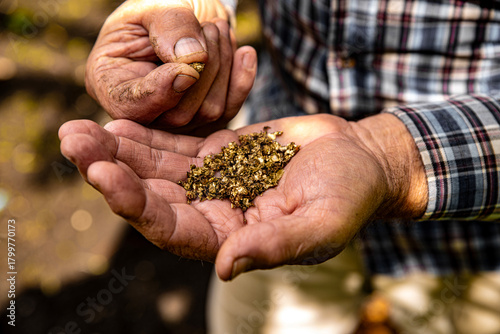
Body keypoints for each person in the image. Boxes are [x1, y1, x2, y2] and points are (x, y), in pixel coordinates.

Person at [59, 0, 500, 333]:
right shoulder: (257, 183)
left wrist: (391, 155)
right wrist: (190, 12)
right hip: (285, 170)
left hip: (467, 227)